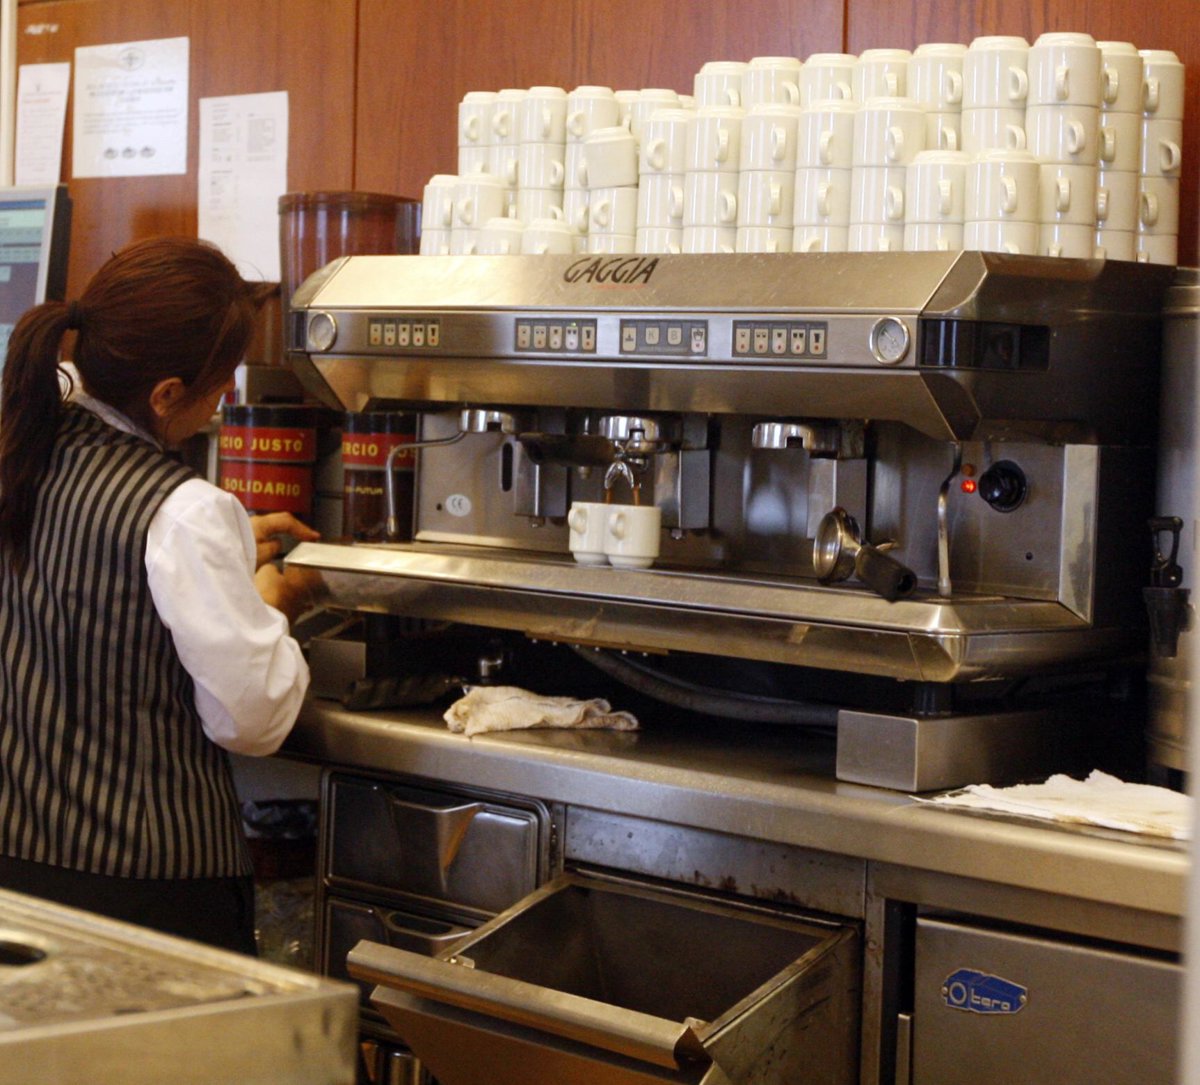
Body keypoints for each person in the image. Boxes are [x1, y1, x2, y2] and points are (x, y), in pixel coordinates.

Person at [0, 236, 322, 955]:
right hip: (150, 893)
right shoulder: (185, 512)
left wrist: (223, 560)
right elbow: (252, 717)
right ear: (166, 394)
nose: (225, 396)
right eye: (221, 381)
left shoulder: (21, 449)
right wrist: (271, 600)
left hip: (17, 877)